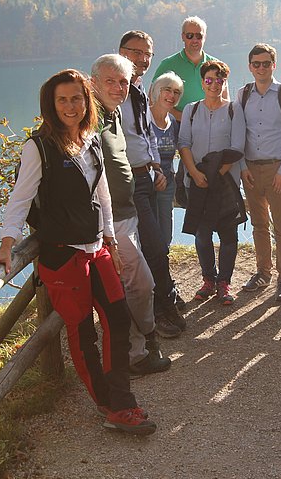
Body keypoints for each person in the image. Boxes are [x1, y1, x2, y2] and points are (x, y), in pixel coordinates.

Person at [0, 69, 156, 435]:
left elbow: (102, 192)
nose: (70, 106)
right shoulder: (38, 148)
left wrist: (110, 238)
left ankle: (120, 399)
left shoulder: (90, 140)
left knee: (118, 320)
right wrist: (7, 244)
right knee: (81, 332)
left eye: (76, 98)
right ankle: (111, 406)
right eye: (62, 100)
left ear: (86, 101)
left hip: (97, 250)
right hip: (63, 255)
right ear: (51, 104)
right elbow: (20, 199)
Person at [90, 54, 171, 377]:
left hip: (126, 214)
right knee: (140, 284)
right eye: (110, 81)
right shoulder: (89, 119)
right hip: (109, 223)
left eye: (123, 81)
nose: (118, 87)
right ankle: (139, 346)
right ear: (93, 81)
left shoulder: (113, 116)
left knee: (131, 284)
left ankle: (138, 346)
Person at [118, 30, 186, 338]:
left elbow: (144, 135)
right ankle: (159, 311)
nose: (143, 59)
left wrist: (155, 165)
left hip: (146, 174)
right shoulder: (113, 92)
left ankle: (164, 300)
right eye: (136, 52)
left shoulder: (139, 89)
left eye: (148, 54)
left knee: (154, 244)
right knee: (152, 246)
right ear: (122, 51)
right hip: (127, 179)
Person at [179, 60, 246, 305]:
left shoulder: (233, 109)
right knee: (202, 235)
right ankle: (208, 279)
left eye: (219, 80)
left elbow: (237, 147)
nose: (214, 85)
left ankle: (224, 283)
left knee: (228, 235)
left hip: (224, 182)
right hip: (196, 182)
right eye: (209, 80)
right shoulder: (191, 110)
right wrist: (196, 175)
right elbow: (183, 143)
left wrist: (217, 174)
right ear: (202, 81)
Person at [238, 43, 281, 302]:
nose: (261, 68)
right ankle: (263, 272)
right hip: (251, 169)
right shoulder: (242, 94)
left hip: (278, 168)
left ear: (274, 65)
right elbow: (238, 135)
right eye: (256, 64)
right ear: (250, 67)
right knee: (259, 224)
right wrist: (242, 168)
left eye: (266, 63)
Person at [152, 16, 224, 121]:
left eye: (199, 36)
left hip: (209, 124)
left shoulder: (217, 65)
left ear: (204, 37)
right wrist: (185, 118)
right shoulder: (167, 64)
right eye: (190, 35)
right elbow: (153, 99)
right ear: (183, 37)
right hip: (176, 124)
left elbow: (224, 100)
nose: (194, 40)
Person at [148, 72, 184, 248]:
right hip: (146, 184)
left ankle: (163, 268)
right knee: (148, 230)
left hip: (168, 184)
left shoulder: (172, 122)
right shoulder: (143, 119)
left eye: (176, 92)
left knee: (166, 232)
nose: (172, 96)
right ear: (156, 91)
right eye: (167, 90)